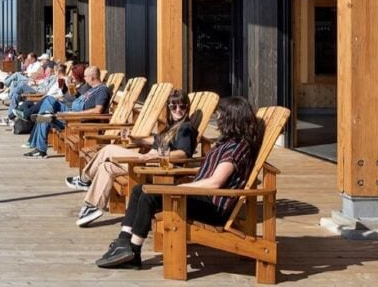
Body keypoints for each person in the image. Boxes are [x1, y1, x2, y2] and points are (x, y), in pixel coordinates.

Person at [95, 96, 261, 269]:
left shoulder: (237, 148)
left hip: (213, 206)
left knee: (149, 196)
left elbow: (215, 183)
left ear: (231, 119)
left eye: (220, 115)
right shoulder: (227, 142)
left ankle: (134, 252)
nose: (218, 119)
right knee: (139, 189)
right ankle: (123, 242)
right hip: (201, 196)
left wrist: (181, 187)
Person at [68, 90, 198, 227]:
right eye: (173, 106)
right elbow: (157, 140)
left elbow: (183, 154)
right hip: (150, 162)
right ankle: (93, 205)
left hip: (158, 167)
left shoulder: (185, 128)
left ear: (187, 108)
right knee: (106, 167)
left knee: (107, 150)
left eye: (182, 106)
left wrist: (157, 155)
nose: (178, 110)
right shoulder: (172, 127)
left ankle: (85, 179)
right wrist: (138, 140)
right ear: (169, 108)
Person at [21, 66, 111, 158]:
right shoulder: (92, 89)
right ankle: (45, 118)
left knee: (44, 116)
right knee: (49, 100)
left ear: (92, 77)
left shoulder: (102, 90)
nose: (84, 78)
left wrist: (75, 114)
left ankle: (40, 149)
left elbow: (98, 111)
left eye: (85, 76)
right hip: (72, 112)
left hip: (77, 119)